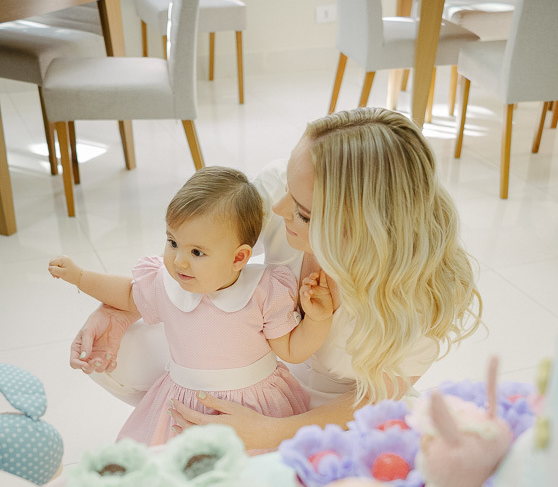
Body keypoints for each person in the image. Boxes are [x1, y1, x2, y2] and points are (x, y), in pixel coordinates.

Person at [68, 108, 482, 451]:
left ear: (357, 228)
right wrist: (122, 308)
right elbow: (201, 245)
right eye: (287, 186)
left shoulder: (418, 300)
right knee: (114, 351)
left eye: (303, 212)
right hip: (256, 356)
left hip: (332, 405)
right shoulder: (280, 193)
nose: (280, 208)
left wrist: (269, 431)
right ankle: (173, 420)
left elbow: (370, 399)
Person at [49, 166, 333, 446]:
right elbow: (126, 293)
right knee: (175, 462)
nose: (179, 261)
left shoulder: (262, 290)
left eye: (197, 252)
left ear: (238, 258)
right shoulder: (166, 284)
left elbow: (292, 351)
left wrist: (317, 320)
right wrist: (81, 277)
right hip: (185, 399)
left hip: (256, 405)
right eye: (173, 242)